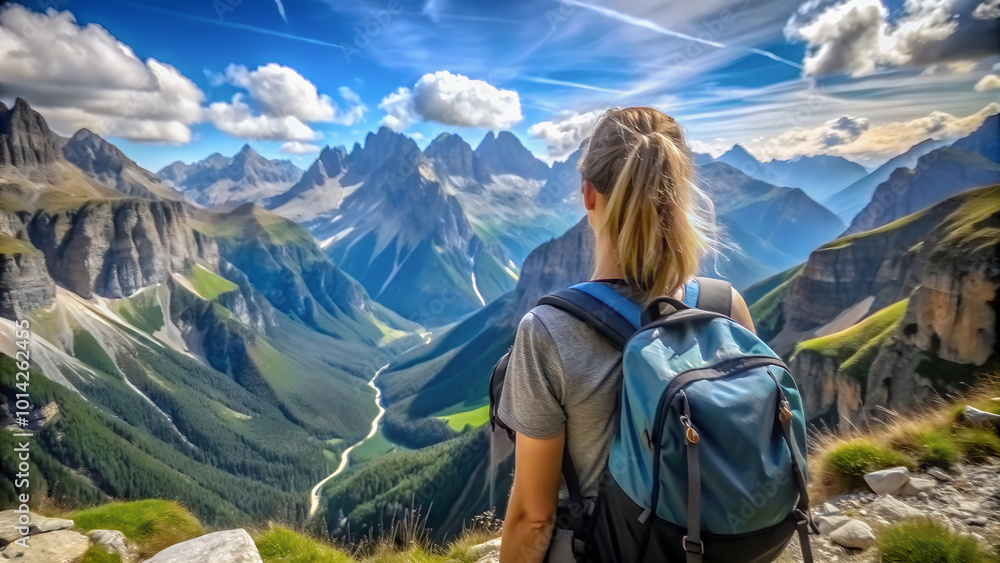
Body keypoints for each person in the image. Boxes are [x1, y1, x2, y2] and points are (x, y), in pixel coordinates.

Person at [497, 106, 756, 562]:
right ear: (678, 195)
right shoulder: (726, 305)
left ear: (587, 194)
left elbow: (532, 520)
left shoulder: (548, 331)